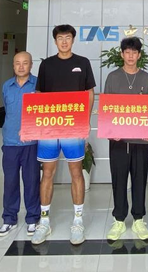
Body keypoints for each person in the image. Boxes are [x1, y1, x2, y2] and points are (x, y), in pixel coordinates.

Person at [32, 24, 96, 246]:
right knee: (47, 173)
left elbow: (89, 93)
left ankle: (78, 221)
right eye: (60, 38)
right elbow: (39, 93)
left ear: (73, 40)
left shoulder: (82, 63)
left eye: (68, 37)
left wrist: (85, 121)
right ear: (55, 41)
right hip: (49, 127)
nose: (64, 41)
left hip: (74, 126)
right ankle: (44, 221)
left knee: (76, 172)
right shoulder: (47, 65)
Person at [104, 37, 148, 241]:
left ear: (139, 55)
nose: (131, 56)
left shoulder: (146, 78)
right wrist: (110, 131)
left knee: (139, 179)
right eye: (127, 52)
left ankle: (139, 219)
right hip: (118, 140)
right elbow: (107, 108)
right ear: (122, 54)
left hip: (140, 140)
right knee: (119, 179)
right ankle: (119, 219)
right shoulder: (113, 77)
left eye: (134, 52)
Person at [0, 51, 41, 238]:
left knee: (31, 181)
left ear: (31, 65)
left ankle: (32, 218)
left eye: (25, 63)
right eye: (17, 63)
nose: (21, 66)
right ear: (13, 65)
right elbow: (8, 110)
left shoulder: (39, 85)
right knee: (10, 181)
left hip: (32, 142)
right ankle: (9, 218)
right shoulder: (6, 86)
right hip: (10, 142)